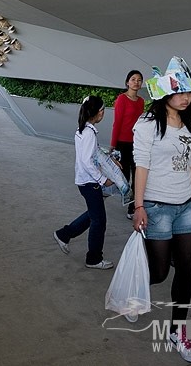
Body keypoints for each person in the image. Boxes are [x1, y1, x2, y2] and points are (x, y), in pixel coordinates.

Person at [132, 56, 191, 364]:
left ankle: (178, 330)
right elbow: (141, 166)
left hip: (186, 205)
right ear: (164, 93)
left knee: (187, 268)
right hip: (157, 207)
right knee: (160, 272)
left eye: (188, 92)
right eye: (179, 92)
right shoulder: (148, 125)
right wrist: (138, 205)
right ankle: (136, 293)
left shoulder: (187, 124)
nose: (186, 97)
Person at [53, 96, 115, 270]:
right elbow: (88, 162)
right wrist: (104, 180)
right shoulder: (88, 133)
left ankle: (63, 234)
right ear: (97, 112)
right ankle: (94, 258)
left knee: (93, 215)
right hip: (90, 183)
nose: (103, 113)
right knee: (99, 221)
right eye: (102, 110)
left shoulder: (83, 130)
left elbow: (91, 155)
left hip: (85, 181)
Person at [110, 70, 145, 220]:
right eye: (133, 79)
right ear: (127, 82)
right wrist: (113, 144)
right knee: (124, 177)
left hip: (137, 143)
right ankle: (108, 191)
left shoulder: (142, 101)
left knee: (138, 175)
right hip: (122, 143)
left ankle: (133, 208)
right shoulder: (121, 99)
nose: (136, 82)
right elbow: (117, 123)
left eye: (139, 80)